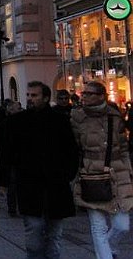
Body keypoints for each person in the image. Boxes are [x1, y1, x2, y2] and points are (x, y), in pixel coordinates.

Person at [0, 81, 78, 259]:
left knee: (54, 236)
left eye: (34, 96)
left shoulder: (60, 120)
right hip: (29, 184)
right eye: (28, 95)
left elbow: (71, 151)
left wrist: (68, 175)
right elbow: (7, 153)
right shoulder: (17, 121)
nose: (30, 99)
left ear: (46, 98)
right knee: (34, 233)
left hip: (56, 184)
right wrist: (2, 181)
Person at [71, 82, 133, 259]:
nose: (84, 97)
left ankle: (111, 249)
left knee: (122, 225)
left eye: (89, 94)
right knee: (98, 226)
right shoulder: (77, 117)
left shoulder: (114, 116)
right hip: (91, 174)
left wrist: (129, 170)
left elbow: (123, 147)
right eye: (84, 93)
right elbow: (73, 147)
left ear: (101, 96)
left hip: (117, 174)